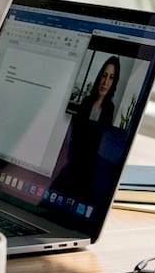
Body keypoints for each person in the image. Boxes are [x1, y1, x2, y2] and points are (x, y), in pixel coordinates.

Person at [52, 55, 122, 197]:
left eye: (111, 78)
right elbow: (75, 134)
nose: (106, 82)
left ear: (114, 82)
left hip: (90, 166)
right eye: (104, 76)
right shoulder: (86, 101)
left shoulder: (109, 108)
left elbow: (100, 142)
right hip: (74, 159)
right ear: (99, 77)